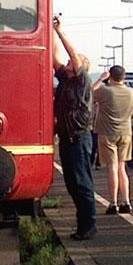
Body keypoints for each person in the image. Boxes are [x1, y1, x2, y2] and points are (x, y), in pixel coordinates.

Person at [52, 15, 96, 240]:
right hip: (68, 139)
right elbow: (54, 56)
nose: (68, 63)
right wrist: (48, 29)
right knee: (72, 184)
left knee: (82, 183)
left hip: (78, 138)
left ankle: (88, 226)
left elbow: (71, 56)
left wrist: (60, 32)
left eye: (73, 62)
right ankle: (83, 225)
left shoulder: (82, 79)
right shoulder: (66, 79)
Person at [93, 66, 133, 214]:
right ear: (124, 77)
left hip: (107, 132)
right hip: (125, 132)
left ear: (110, 76)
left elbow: (88, 94)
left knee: (112, 167)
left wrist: (100, 79)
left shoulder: (105, 91)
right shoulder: (131, 92)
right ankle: (126, 201)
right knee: (122, 167)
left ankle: (113, 203)